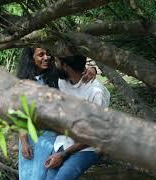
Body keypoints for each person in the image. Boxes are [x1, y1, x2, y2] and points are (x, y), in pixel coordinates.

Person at [16, 47, 97, 180]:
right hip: (28, 136)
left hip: (49, 137)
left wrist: (91, 69)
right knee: (27, 175)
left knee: (41, 174)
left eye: (48, 53)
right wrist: (24, 141)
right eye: (41, 55)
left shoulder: (56, 77)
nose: (46, 57)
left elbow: (74, 70)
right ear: (31, 58)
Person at [44, 55, 110, 180]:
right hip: (63, 142)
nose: (54, 63)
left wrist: (63, 155)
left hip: (87, 148)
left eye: (57, 61)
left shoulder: (95, 92)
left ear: (66, 66)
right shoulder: (62, 82)